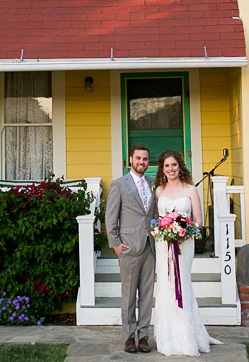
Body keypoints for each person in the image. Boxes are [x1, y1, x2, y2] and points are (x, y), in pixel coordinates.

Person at [151, 150, 222, 357]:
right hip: (164, 245)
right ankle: (168, 338)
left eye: (174, 165)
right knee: (166, 285)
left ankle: (187, 336)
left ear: (180, 166)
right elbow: (156, 220)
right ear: (162, 169)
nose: (170, 169)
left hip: (184, 244)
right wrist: (165, 231)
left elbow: (199, 222)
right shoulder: (158, 191)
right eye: (166, 166)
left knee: (182, 283)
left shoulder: (191, 190)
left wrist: (184, 232)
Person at [105, 144, 156, 354]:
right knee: (128, 295)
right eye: (138, 158)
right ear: (130, 160)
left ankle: (143, 336)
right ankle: (128, 336)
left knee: (147, 295)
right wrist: (116, 244)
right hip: (128, 247)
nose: (141, 162)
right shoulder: (119, 184)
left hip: (150, 246)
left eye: (145, 159)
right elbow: (110, 217)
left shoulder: (153, 184)